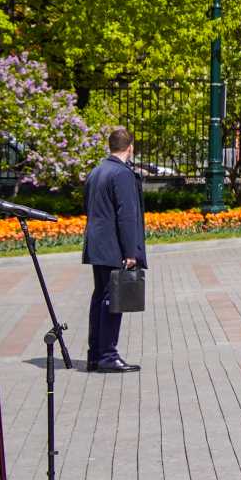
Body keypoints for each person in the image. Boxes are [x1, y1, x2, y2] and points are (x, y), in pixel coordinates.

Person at [82, 127, 146, 374]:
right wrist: (131, 251)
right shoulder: (122, 174)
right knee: (112, 300)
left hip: (98, 245)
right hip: (113, 247)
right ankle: (108, 355)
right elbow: (127, 215)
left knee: (100, 297)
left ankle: (95, 354)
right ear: (130, 147)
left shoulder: (97, 171)